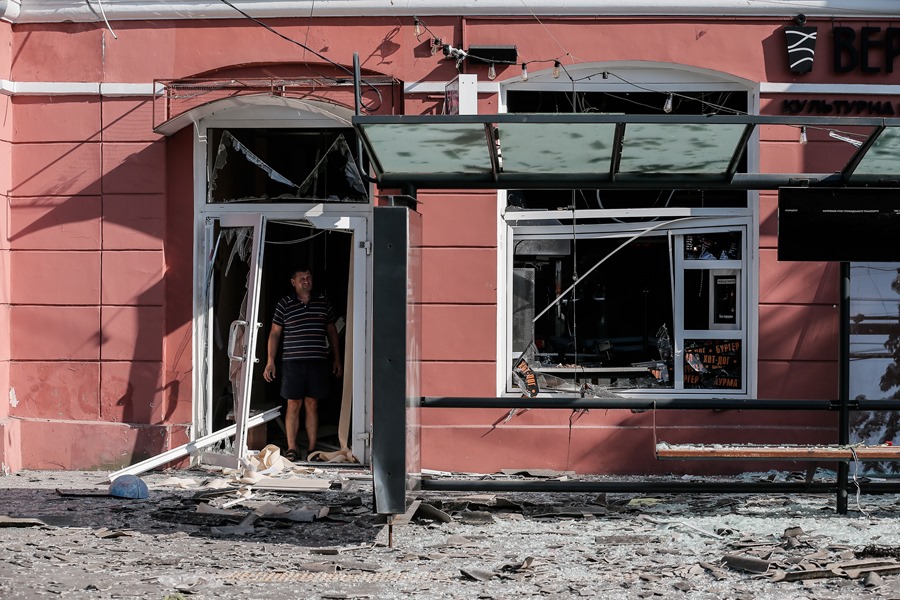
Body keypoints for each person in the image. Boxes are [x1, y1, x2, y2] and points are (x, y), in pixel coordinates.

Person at [264, 266, 342, 461]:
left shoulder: (323, 303)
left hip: (317, 362)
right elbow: (274, 333)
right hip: (292, 363)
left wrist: (337, 358)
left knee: (312, 404)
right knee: (293, 404)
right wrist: (270, 361)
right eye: (302, 278)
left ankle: (313, 449)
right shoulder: (284, 304)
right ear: (293, 282)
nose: (306, 281)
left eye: (308, 278)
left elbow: (332, 332)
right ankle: (292, 448)